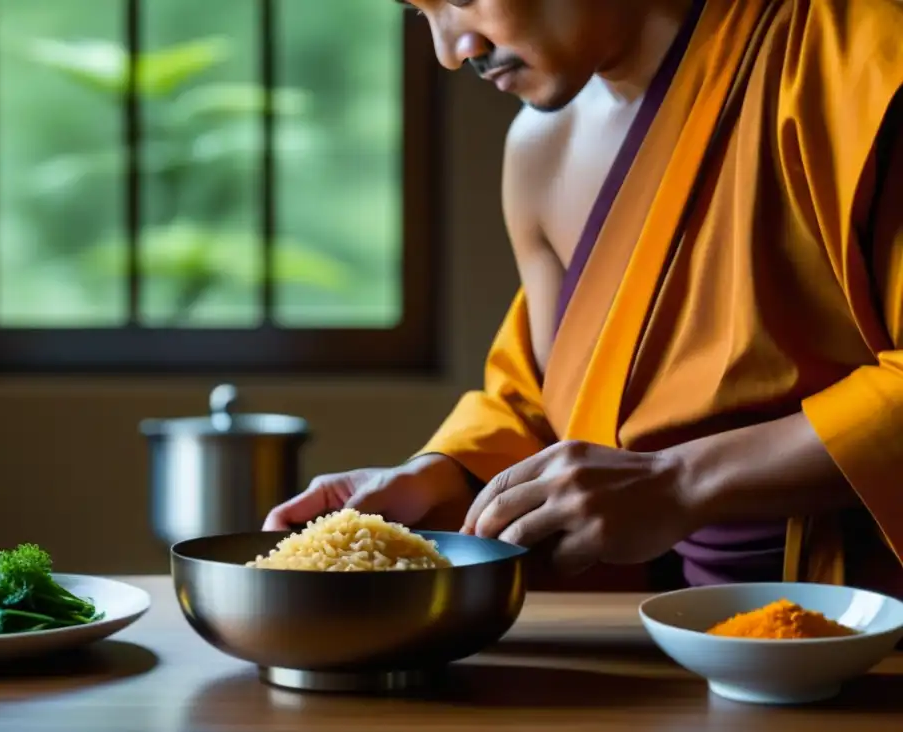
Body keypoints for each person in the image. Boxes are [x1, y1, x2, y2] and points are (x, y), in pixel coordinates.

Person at [265, 0, 903, 594]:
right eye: (421, 13)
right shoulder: (542, 150)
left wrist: (684, 482)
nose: (453, 50)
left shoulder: (862, 60)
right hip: (674, 636)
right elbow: (554, 398)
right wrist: (443, 476)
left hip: (874, 625)